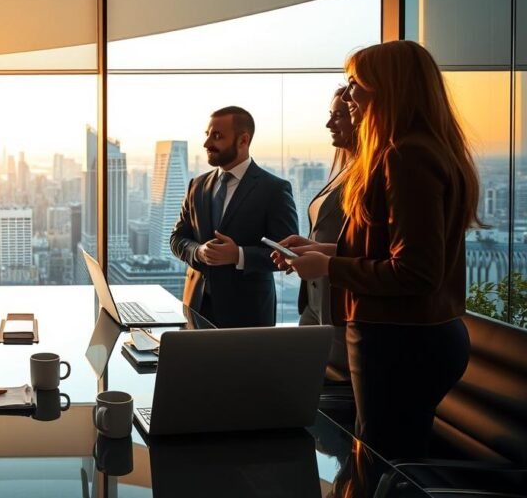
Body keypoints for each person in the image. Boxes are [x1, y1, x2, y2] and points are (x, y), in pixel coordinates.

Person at [277, 40, 478, 459]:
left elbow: (416, 273)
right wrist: (322, 251)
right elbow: (393, 251)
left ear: (390, 88)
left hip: (399, 341)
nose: (348, 95)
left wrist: (330, 267)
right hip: (413, 338)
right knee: (387, 458)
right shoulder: (424, 150)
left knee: (380, 462)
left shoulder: (403, 157)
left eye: (355, 84)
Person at [170, 106, 299, 328]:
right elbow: (177, 239)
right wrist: (199, 252)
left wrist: (238, 255)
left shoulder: (274, 190)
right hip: (197, 307)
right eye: (207, 135)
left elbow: (288, 254)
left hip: (248, 315)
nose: (207, 143)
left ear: (243, 141)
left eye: (217, 136)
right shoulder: (197, 185)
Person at [299, 87, 356, 377]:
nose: (329, 124)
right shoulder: (345, 169)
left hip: (340, 306)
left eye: (339, 116)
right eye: (330, 115)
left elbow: (369, 249)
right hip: (314, 301)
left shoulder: (371, 173)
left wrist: (322, 258)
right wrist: (307, 247)